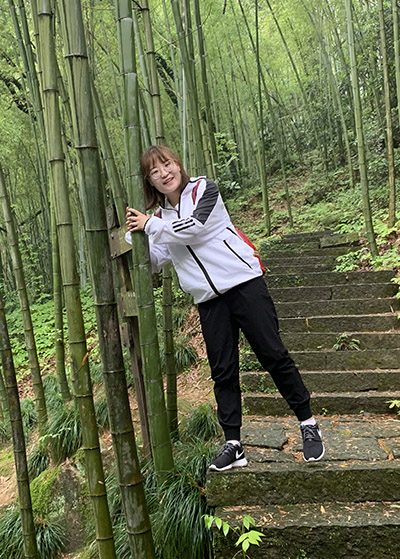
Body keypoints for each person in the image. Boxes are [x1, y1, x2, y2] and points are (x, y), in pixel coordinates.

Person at [125, 145, 324, 471]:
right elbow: (159, 259)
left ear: (178, 164)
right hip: (208, 299)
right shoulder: (159, 217)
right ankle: (234, 444)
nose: (164, 173)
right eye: (155, 172)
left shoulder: (204, 189)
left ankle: (308, 422)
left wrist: (149, 226)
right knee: (223, 371)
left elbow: (194, 228)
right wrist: (137, 239)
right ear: (150, 181)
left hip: (244, 283)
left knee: (273, 354)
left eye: (167, 164)